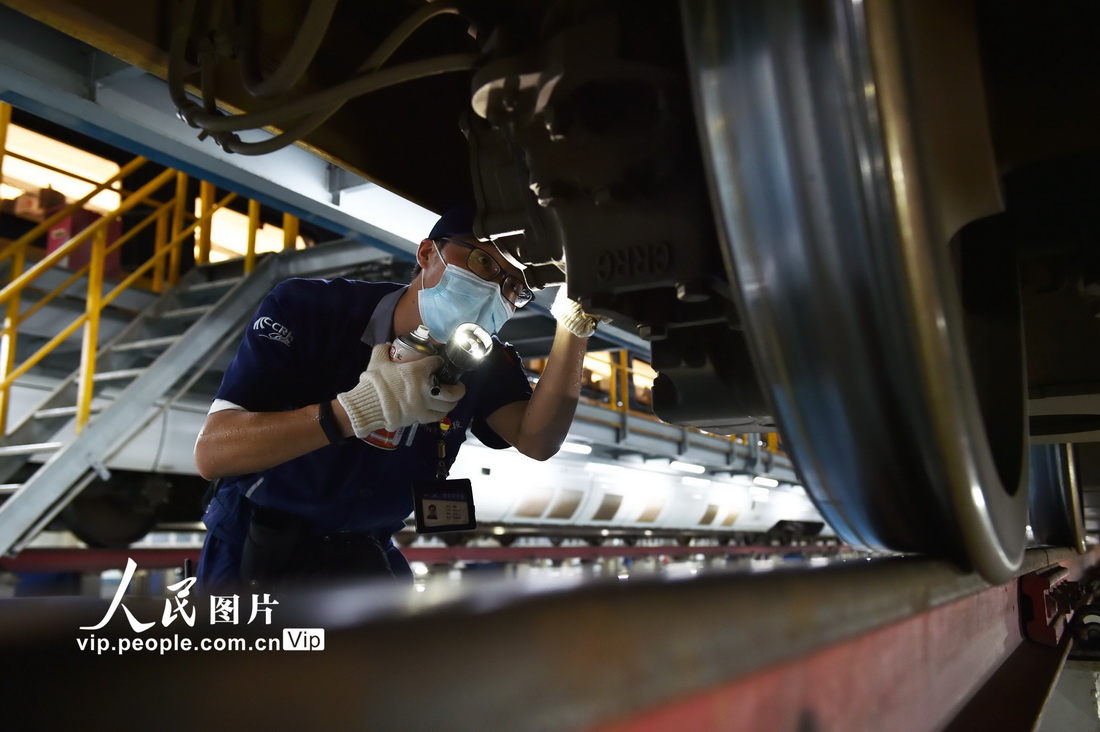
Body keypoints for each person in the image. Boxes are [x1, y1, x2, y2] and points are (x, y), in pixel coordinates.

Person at [193, 203, 602, 592]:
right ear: (427, 253)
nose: (496, 290)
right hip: (254, 550)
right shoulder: (309, 309)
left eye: (513, 285)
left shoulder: (484, 358)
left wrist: (573, 327)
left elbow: (537, 439)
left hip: (366, 553)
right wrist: (354, 411)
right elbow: (213, 454)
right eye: (483, 262)